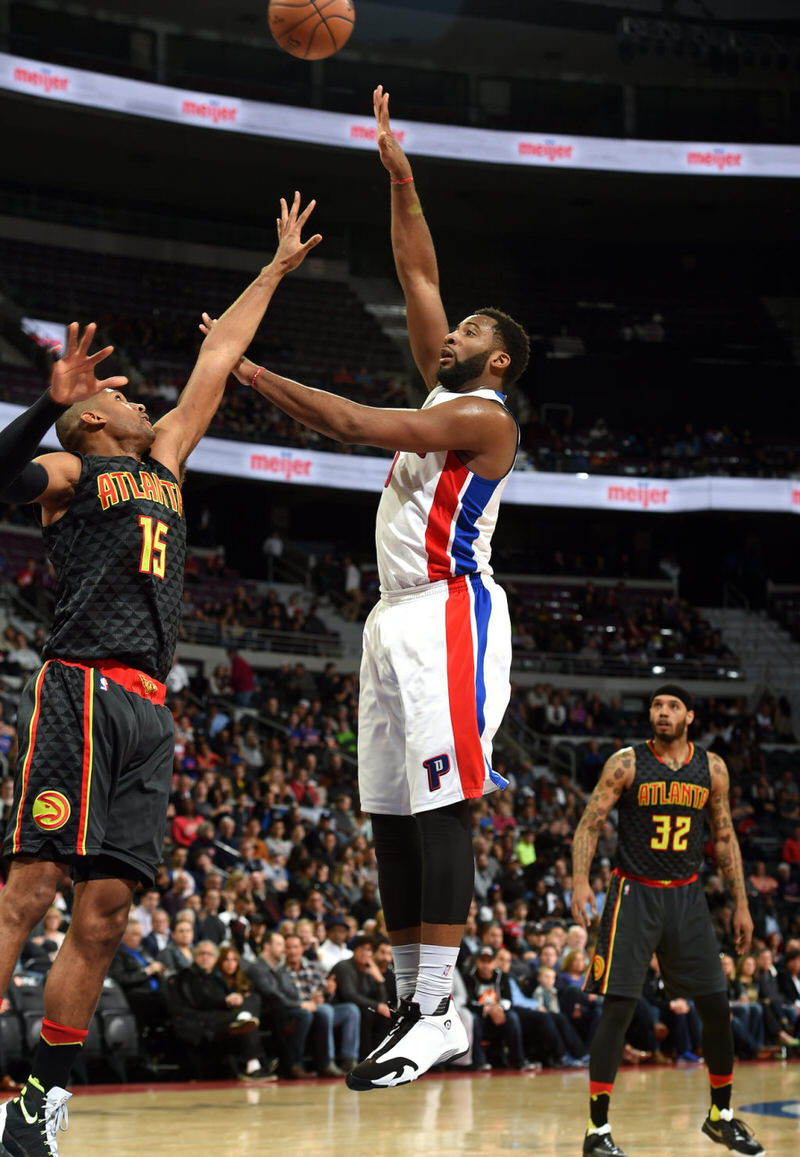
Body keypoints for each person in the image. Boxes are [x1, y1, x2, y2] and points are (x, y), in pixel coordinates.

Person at [208, 85, 529, 1092]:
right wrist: (403, 179)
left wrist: (248, 375)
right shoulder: (448, 382)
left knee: (441, 807)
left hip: (449, 609)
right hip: (391, 618)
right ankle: (411, 1000)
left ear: (499, 360)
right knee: (388, 808)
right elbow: (416, 268)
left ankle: (445, 1003)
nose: (449, 329)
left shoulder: (484, 421)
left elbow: (354, 428)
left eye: (469, 328)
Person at [0, 193, 321, 1156]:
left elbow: (217, 359)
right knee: (29, 890)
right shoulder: (71, 476)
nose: (140, 397)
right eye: (120, 397)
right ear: (90, 420)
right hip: (80, 688)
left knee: (101, 919)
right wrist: (43, 408)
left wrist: (274, 269)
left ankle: (34, 1107)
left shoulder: (169, 460)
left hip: (148, 709)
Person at [570, 685, 763, 1156]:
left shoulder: (712, 768)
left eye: (673, 706)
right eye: (657, 705)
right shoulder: (627, 762)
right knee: (617, 1009)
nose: (663, 712)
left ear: (689, 716)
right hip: (633, 892)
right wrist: (579, 882)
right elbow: (591, 822)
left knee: (717, 1006)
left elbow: (724, 835)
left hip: (687, 896)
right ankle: (597, 1130)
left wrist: (741, 903)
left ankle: (722, 1116)